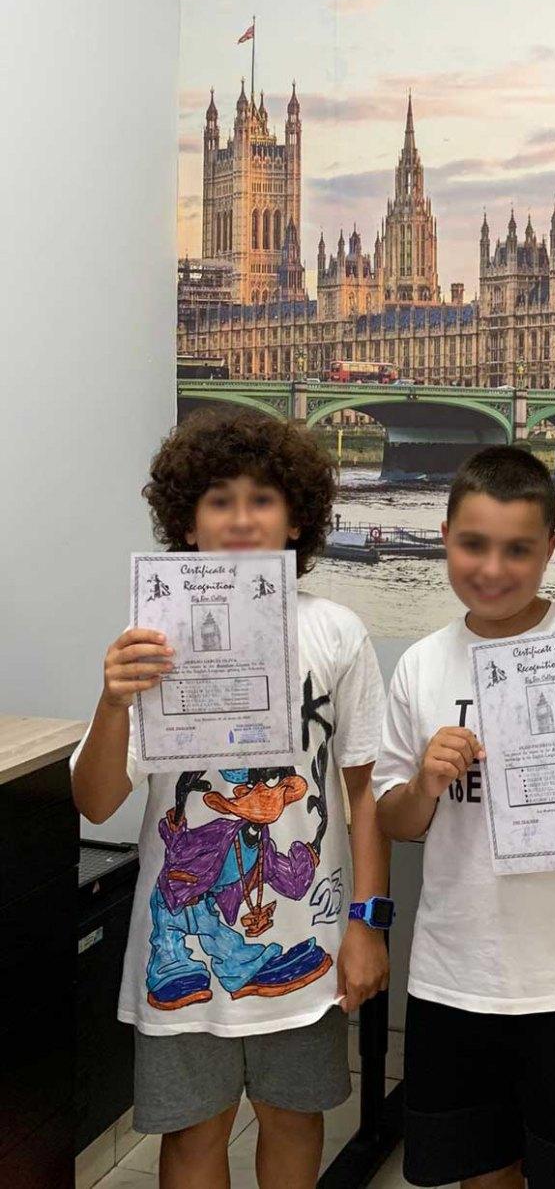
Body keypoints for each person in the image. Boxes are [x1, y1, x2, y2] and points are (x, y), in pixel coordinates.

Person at [71, 409, 391, 1189]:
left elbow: (364, 794)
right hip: (179, 949)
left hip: (308, 942)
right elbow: (96, 801)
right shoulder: (152, 640)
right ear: (187, 520)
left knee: (294, 1122)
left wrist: (366, 924)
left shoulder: (338, 633)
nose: (242, 519)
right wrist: (113, 701)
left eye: (263, 499)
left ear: (298, 517)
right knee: (192, 1135)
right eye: (219, 500)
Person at [374, 445, 555, 1189]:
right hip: (457, 975)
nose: (492, 569)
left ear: (550, 549)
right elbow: (395, 820)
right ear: (444, 538)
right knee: (481, 1172)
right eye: (473, 544)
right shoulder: (421, 665)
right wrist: (425, 783)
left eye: (518, 550)